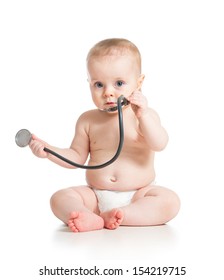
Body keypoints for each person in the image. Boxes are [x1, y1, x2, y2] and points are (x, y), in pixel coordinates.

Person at [29, 38, 180, 232]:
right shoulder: (87, 120)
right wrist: (49, 151)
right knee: (59, 198)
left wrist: (143, 115)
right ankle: (90, 216)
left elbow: (159, 143)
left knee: (169, 201)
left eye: (119, 83)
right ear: (89, 83)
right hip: (96, 195)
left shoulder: (144, 116)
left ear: (139, 82)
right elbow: (76, 156)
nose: (108, 93)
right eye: (98, 84)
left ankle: (124, 214)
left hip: (138, 195)